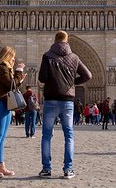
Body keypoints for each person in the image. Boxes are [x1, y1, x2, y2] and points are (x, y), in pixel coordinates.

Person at [38, 30, 92, 179]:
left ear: (55, 41)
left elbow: (42, 78)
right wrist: (71, 83)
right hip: (67, 101)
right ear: (67, 41)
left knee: (46, 136)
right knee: (69, 136)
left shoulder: (47, 55)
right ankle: (68, 169)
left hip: (50, 100)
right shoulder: (74, 57)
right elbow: (88, 75)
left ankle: (46, 169)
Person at [0, 46, 24, 178]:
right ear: (8, 56)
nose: (14, 59)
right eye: (13, 56)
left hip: (6, 104)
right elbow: (11, 85)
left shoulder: (6, 68)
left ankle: (1, 165)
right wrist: (19, 72)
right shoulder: (1, 68)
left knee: (2, 137)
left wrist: (17, 74)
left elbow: (12, 84)